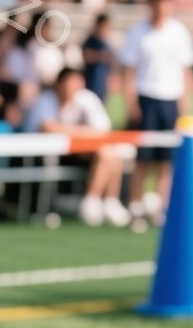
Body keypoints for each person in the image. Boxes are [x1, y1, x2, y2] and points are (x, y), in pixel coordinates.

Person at [120, 0, 193, 226]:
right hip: (146, 98)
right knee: (142, 158)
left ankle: (162, 207)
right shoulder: (138, 32)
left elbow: (186, 71)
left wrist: (185, 106)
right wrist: (131, 102)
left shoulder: (178, 32)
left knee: (166, 160)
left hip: (170, 99)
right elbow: (129, 71)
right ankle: (135, 205)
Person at [32, 67, 133, 227]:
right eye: (68, 83)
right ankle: (95, 202)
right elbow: (47, 127)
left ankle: (104, 201)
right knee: (108, 153)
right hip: (46, 156)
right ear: (59, 84)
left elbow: (102, 131)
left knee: (110, 154)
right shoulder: (46, 99)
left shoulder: (87, 99)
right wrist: (84, 132)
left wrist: (71, 132)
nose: (72, 88)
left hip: (81, 154)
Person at [82, 14, 115, 103]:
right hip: (91, 85)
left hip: (102, 87)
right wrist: (100, 56)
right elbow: (85, 56)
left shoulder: (106, 44)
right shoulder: (91, 41)